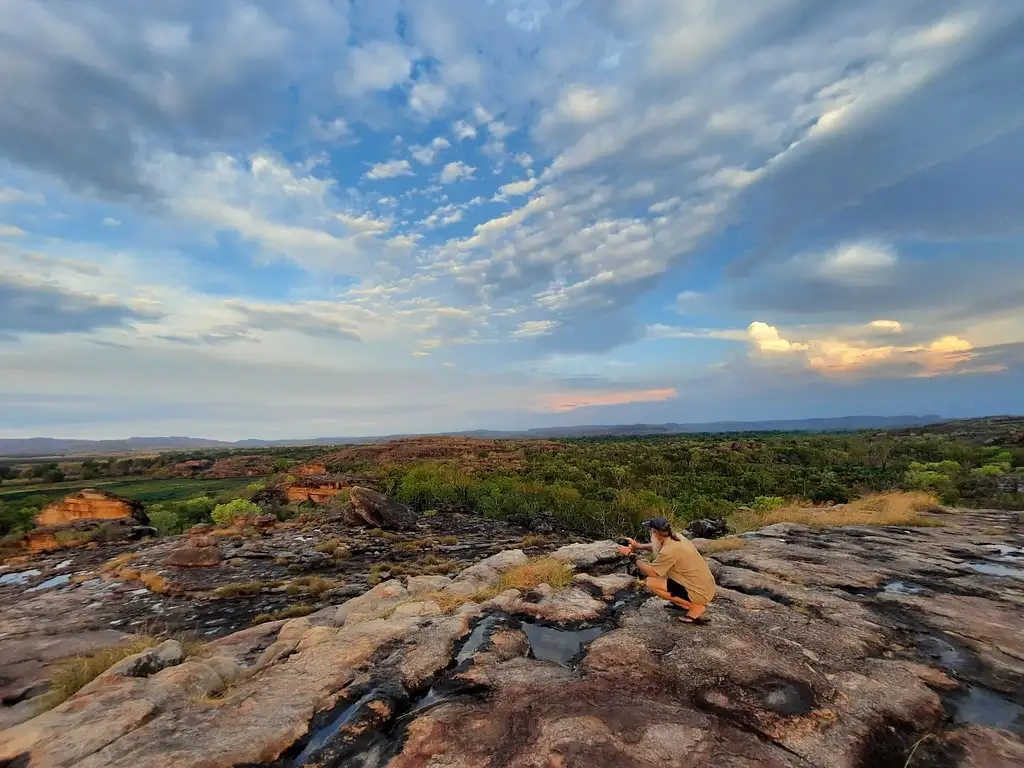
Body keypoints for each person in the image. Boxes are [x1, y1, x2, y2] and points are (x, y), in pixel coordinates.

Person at [618, 516, 716, 623]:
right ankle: (684, 603)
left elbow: (652, 572)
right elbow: (658, 545)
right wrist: (638, 546)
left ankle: (694, 607)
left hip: (699, 592)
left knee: (649, 582)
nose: (650, 533)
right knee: (661, 578)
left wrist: (629, 554)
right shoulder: (677, 537)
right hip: (704, 586)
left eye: (650, 531)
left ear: (655, 532)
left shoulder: (669, 551)